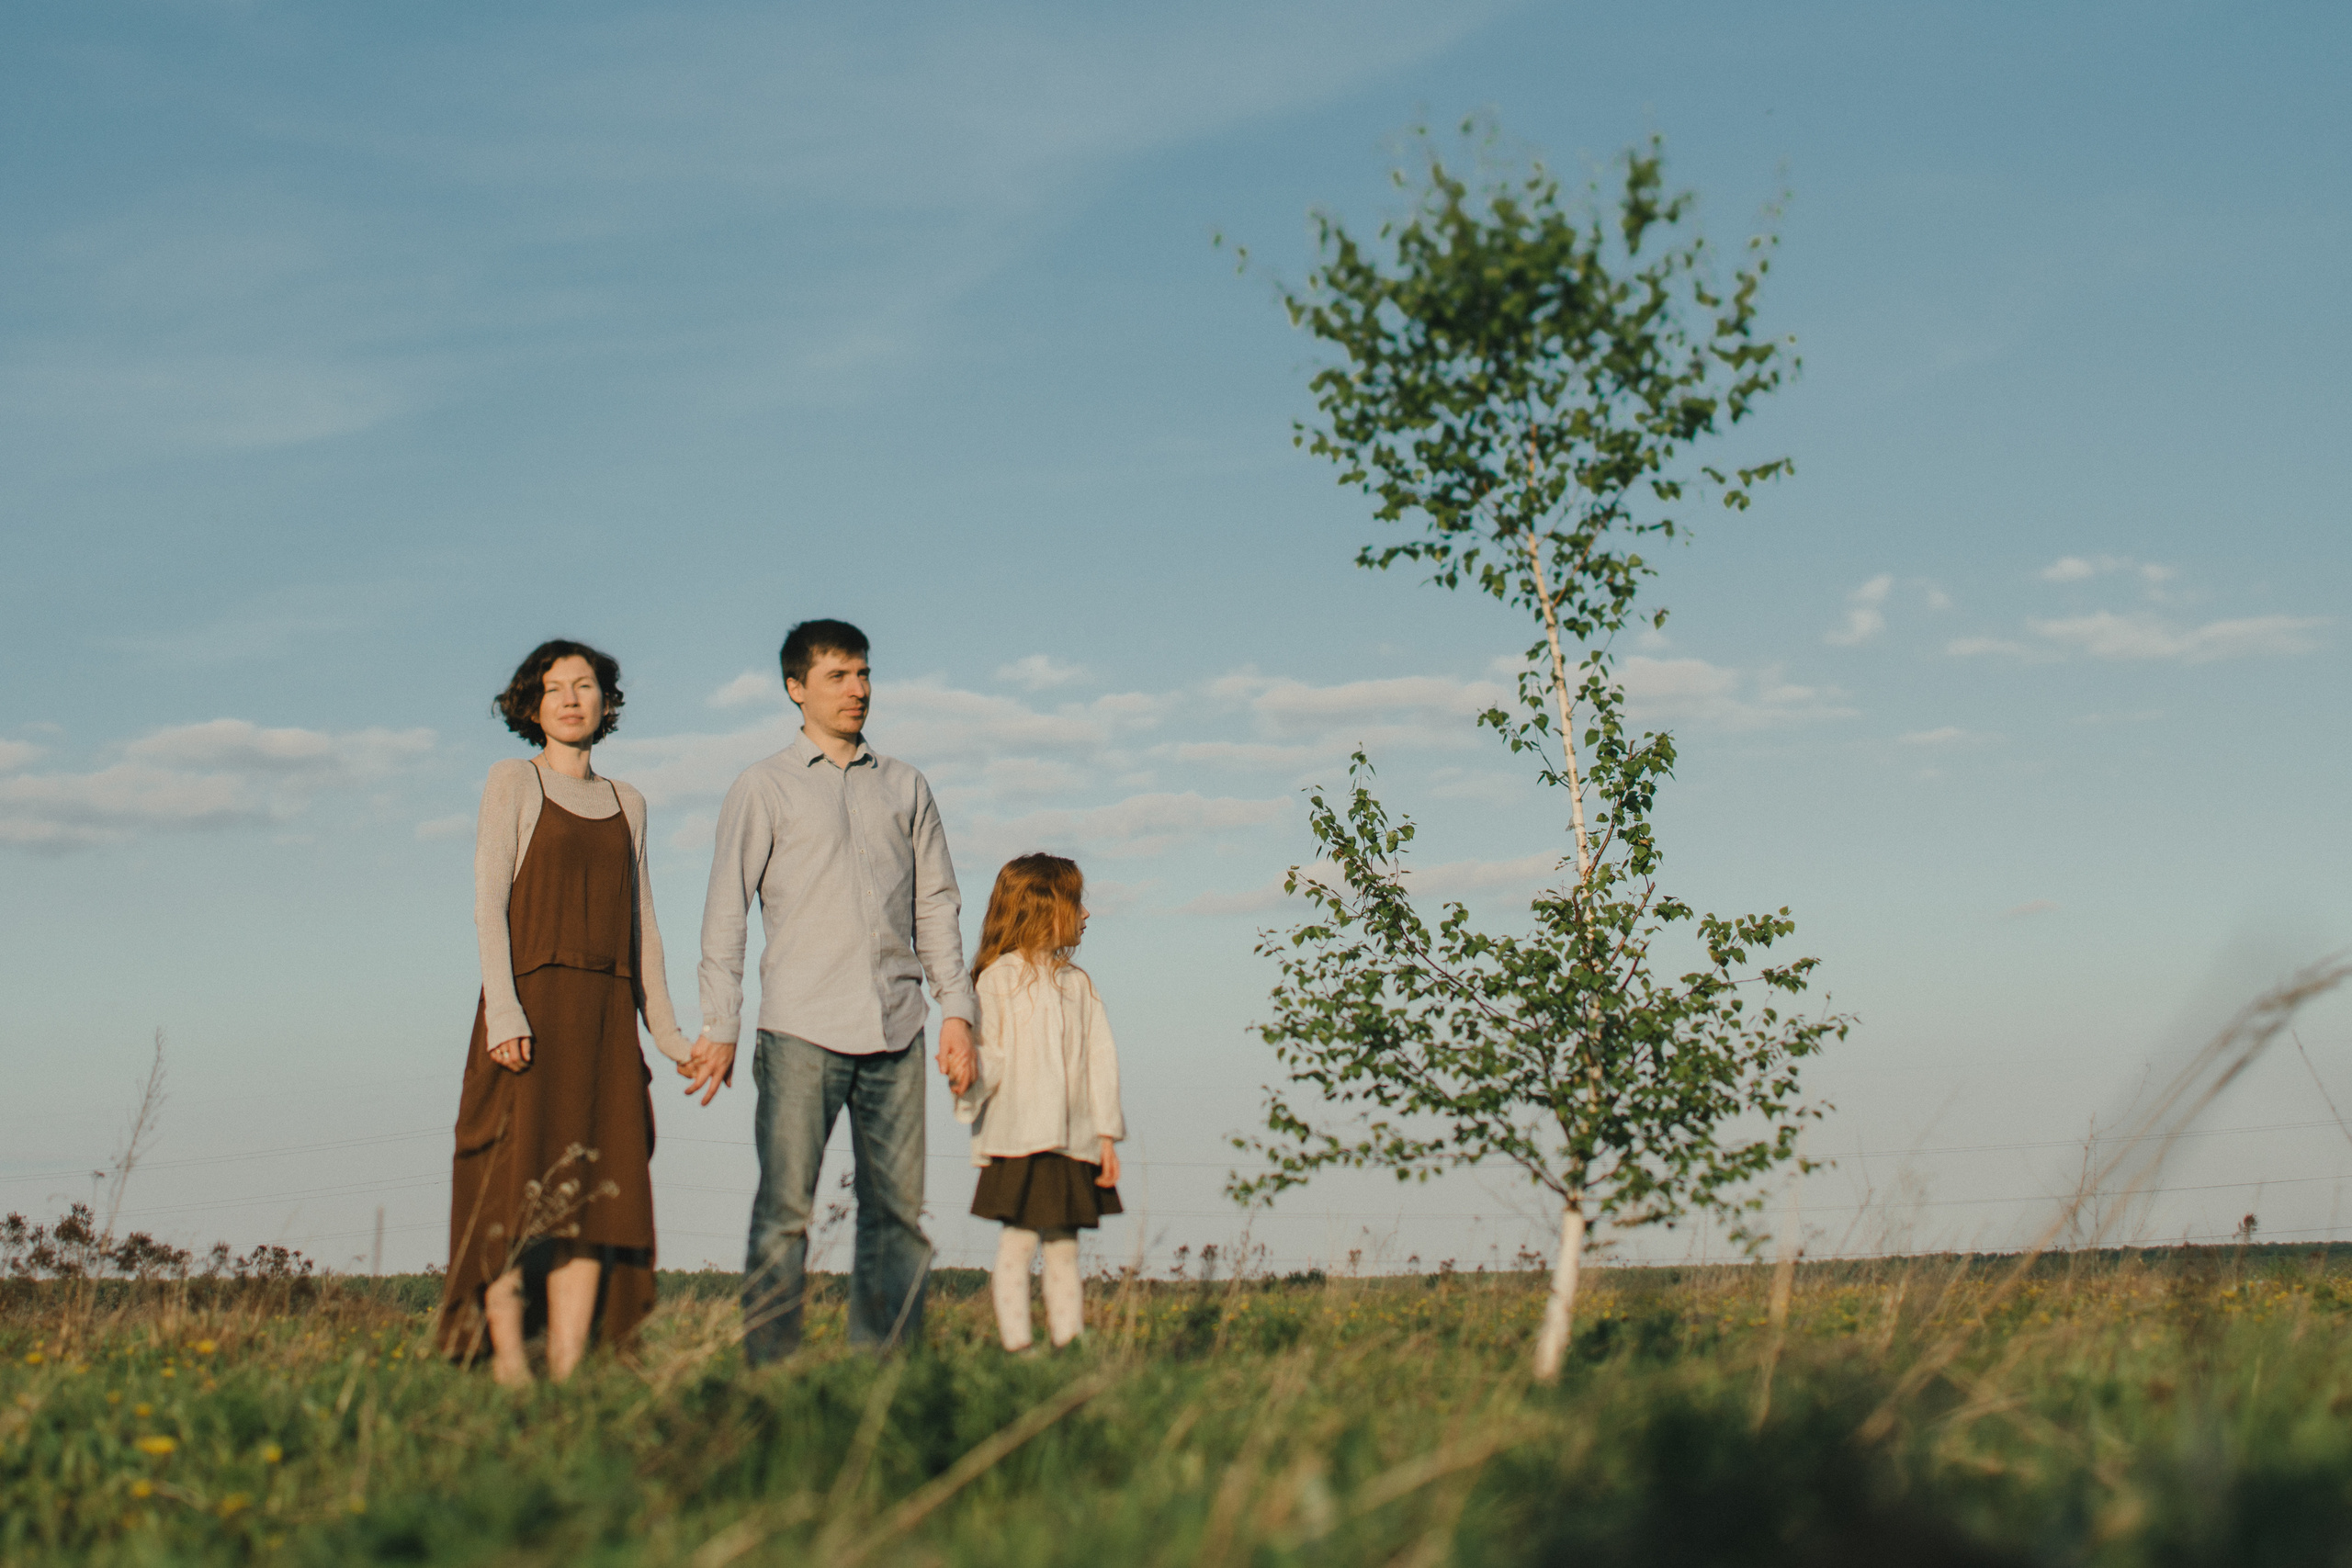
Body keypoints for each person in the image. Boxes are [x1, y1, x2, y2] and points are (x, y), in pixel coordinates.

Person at [684, 619, 978, 1363]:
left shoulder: (906, 784)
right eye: (840, 677)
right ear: (796, 689)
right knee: (785, 1212)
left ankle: (882, 1379)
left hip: (898, 1028)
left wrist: (957, 1010)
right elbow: (726, 910)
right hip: (801, 1031)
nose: (859, 690)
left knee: (898, 1217)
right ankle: (770, 1374)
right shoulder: (763, 786)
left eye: (864, 674)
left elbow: (937, 903)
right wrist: (721, 1023)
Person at [436, 639, 695, 1383]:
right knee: (510, 1190)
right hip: (531, 1010)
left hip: (608, 1017)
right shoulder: (513, 780)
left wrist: (671, 1035)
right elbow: (488, 903)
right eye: (556, 688)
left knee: (593, 1199)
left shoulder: (629, 802)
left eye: (586, 686)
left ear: (606, 703)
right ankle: (512, 1369)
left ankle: (570, 1373)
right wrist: (505, 1014)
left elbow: (642, 927)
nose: (573, 698)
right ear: (532, 704)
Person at [953, 853, 1125, 1351]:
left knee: (1065, 1248)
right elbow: (987, 1059)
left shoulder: (1079, 985)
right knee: (1018, 1245)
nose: (1087, 914)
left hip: (1074, 1140)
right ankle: (1018, 1349)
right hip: (1019, 1139)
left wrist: (1106, 1138)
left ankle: (1069, 1345)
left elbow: (1102, 1062)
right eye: (1077, 903)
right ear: (1042, 909)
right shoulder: (999, 979)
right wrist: (966, 1082)